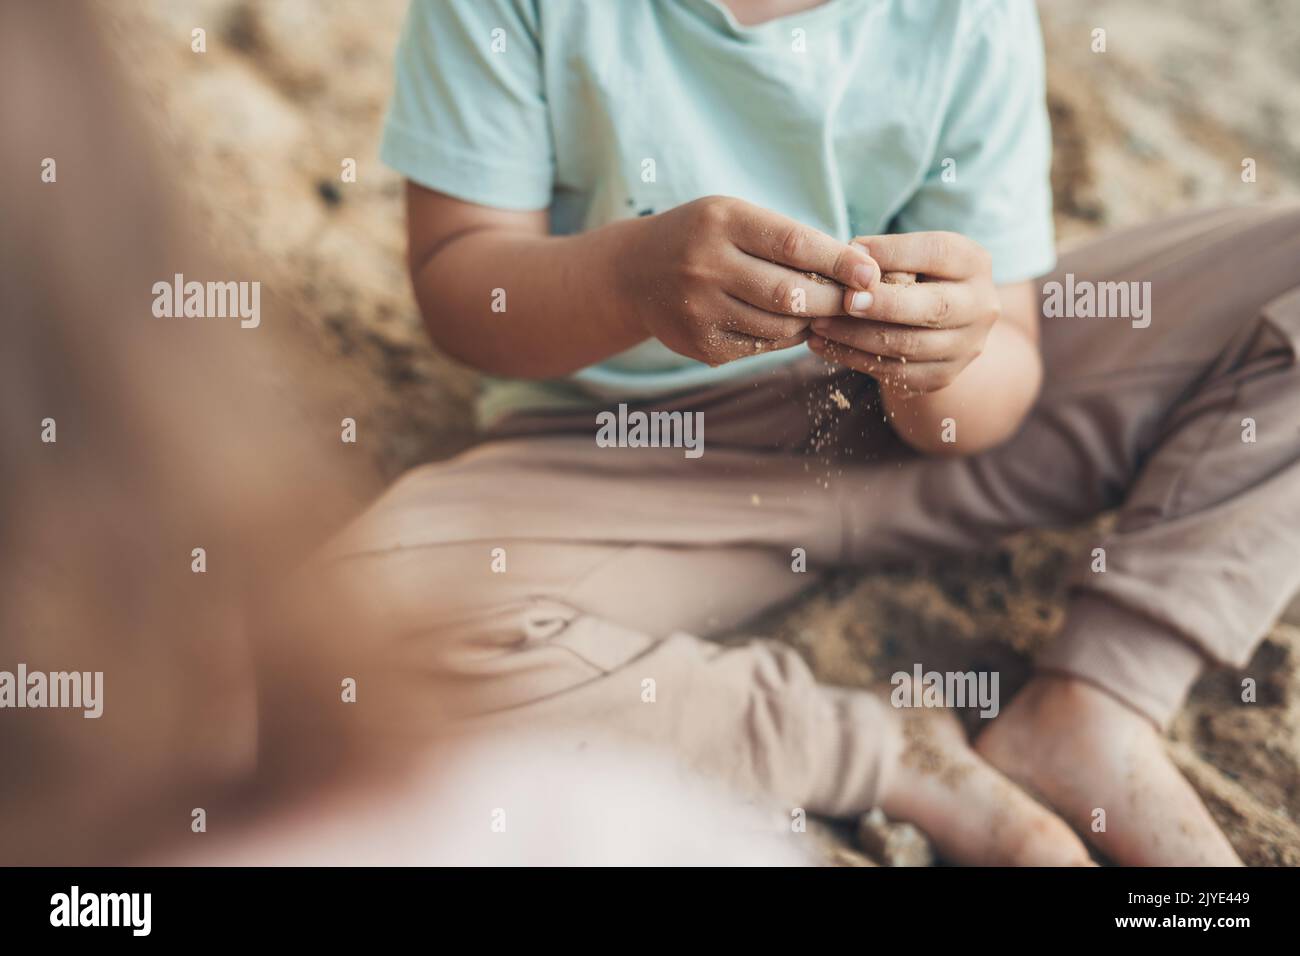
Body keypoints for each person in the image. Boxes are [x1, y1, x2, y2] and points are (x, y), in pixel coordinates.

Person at [334, 0, 1300, 864]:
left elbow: (1000, 373)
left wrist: (942, 360)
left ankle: (1104, 697)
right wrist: (629, 277)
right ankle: (891, 753)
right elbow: (465, 292)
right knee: (349, 636)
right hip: (619, 452)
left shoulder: (966, 18)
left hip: (915, 432)